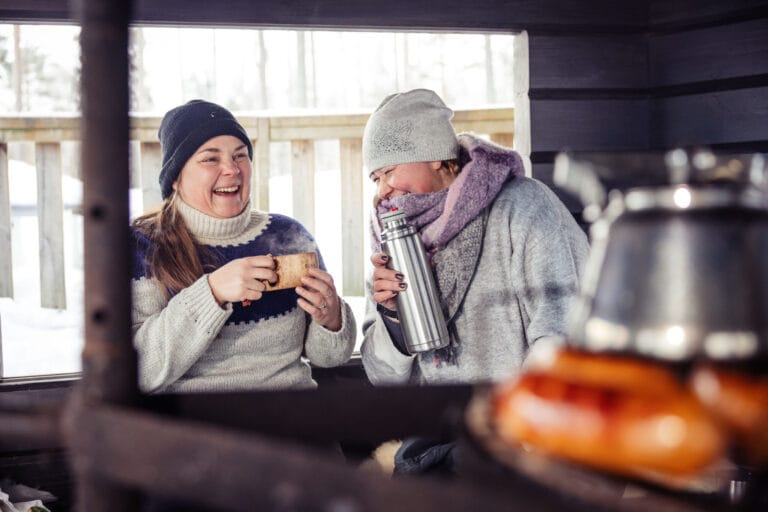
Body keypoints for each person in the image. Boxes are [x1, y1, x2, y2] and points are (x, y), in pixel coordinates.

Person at [359, 88, 589, 474]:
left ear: (434, 156)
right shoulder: (393, 239)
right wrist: (392, 320)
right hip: (438, 438)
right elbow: (384, 379)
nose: (383, 190)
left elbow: (562, 333)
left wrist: (511, 432)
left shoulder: (524, 208)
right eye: (375, 179)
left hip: (528, 437)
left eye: (389, 171)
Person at [130, 99, 356, 394]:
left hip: (293, 423)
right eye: (211, 159)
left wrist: (332, 319)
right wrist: (211, 292)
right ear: (175, 177)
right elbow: (138, 371)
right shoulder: (143, 247)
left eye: (240, 156)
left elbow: (329, 358)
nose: (232, 169)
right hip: (196, 430)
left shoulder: (289, 236)